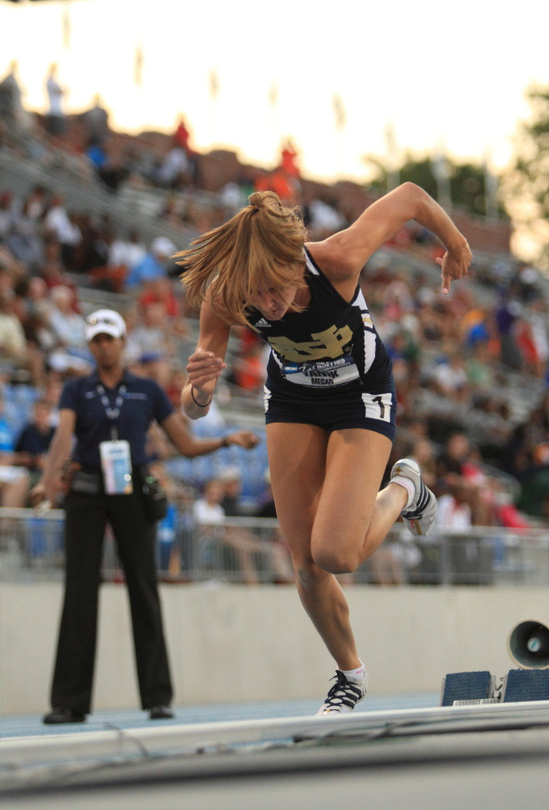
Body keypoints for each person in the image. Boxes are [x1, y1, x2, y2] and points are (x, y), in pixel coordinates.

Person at [176, 184, 472, 713]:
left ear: (297, 260)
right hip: (293, 399)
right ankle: (350, 676)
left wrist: (452, 240)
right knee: (307, 563)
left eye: (277, 287)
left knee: (338, 552)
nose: (270, 304)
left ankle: (405, 487)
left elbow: (408, 197)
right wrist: (197, 390)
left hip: (360, 394)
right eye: (258, 295)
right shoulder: (226, 295)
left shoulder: (337, 257)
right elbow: (193, 410)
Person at [31, 308, 259, 726]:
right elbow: (63, 437)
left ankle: (157, 696)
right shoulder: (76, 390)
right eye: (96, 339)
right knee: (79, 592)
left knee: (144, 589)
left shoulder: (147, 390)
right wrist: (48, 482)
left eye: (109, 338)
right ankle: (69, 701)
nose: (103, 345)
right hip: (86, 490)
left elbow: (185, 445)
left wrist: (227, 438)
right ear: (89, 344)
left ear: (122, 343)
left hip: (132, 489)